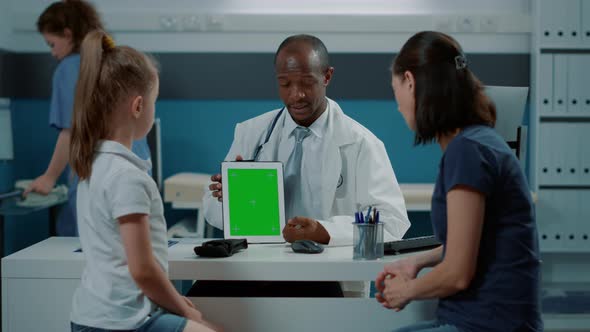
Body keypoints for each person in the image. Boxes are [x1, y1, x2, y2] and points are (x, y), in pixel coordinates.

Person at [195, 34, 410, 298]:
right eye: (285, 84)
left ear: (327, 76)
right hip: (256, 269)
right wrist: (230, 201)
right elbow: (210, 208)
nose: (296, 95)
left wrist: (325, 231)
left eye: (307, 83)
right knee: (200, 298)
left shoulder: (361, 143)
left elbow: (393, 223)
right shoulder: (252, 133)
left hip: (324, 274)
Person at [375, 31, 542, 332]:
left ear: (410, 82)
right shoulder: (479, 142)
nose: (398, 106)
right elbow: (477, 241)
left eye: (395, 89)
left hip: (486, 324)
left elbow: (457, 274)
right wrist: (417, 262)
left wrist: (407, 290)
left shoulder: (466, 152)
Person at [68, 30, 221, 332]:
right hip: (122, 322)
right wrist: (185, 308)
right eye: (154, 101)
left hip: (89, 316)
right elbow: (143, 270)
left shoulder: (92, 165)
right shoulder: (127, 177)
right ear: (138, 106)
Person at [25, 0, 151, 236]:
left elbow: (70, 130)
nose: (53, 53)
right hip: (139, 172)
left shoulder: (68, 69)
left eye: (52, 44)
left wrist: (49, 178)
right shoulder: (116, 62)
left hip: (95, 179)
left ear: (68, 34)